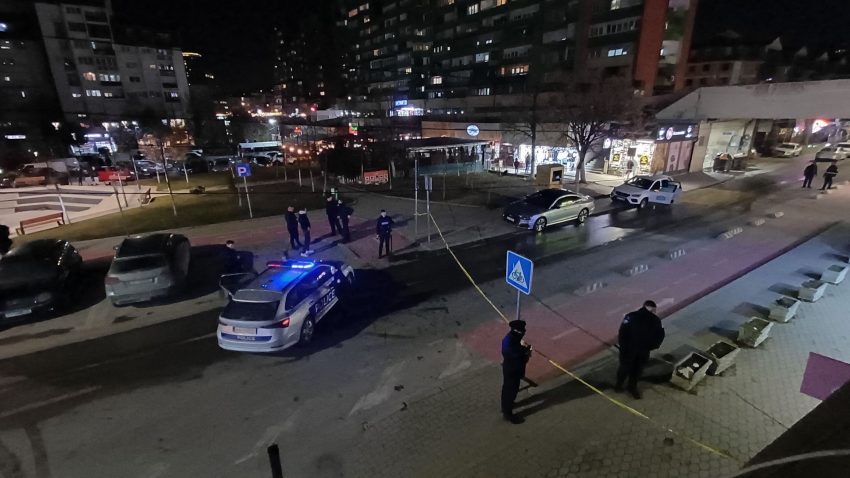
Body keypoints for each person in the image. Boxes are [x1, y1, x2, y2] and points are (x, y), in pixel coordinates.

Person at [615, 300, 665, 399]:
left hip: (629, 350)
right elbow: (659, 335)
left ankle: (619, 386)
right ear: (652, 309)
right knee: (636, 370)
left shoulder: (631, 316)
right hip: (642, 350)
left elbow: (622, 332)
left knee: (625, 368)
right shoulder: (655, 320)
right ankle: (631, 387)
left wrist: (623, 347)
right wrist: (652, 346)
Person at [501, 319, 532, 424]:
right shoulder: (511, 342)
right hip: (512, 370)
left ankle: (506, 406)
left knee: (508, 389)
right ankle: (508, 414)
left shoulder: (511, 338)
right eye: (523, 330)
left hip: (511, 369)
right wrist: (526, 353)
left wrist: (524, 349)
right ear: (518, 331)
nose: (524, 332)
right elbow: (517, 356)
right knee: (511, 391)